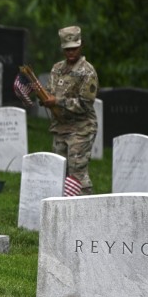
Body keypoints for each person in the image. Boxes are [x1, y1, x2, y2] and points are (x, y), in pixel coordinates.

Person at [42, 26, 99, 195]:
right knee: (59, 171)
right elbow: (50, 92)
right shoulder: (57, 69)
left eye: (74, 49)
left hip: (81, 129)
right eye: (67, 49)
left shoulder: (87, 72)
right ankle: (62, 211)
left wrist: (57, 101)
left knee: (76, 172)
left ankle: (86, 209)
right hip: (60, 127)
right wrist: (45, 99)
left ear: (81, 47)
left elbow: (85, 104)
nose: (71, 53)